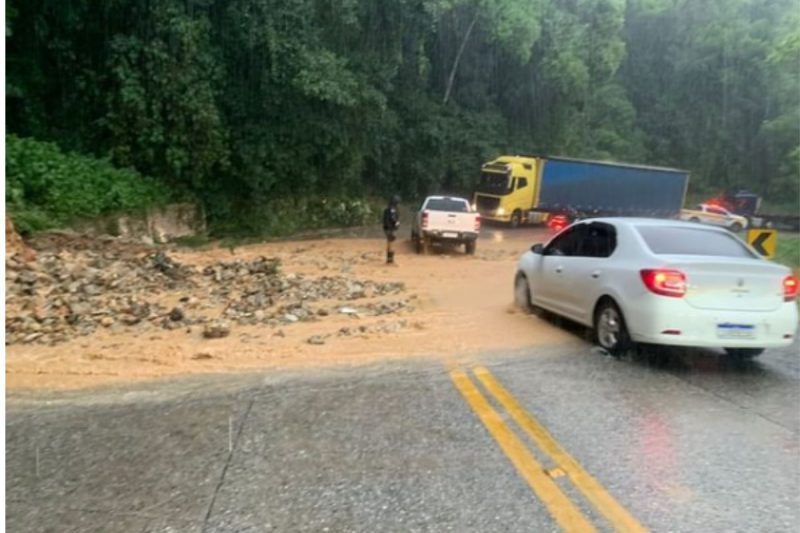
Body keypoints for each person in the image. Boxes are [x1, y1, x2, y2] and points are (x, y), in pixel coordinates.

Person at [382, 195, 400, 264]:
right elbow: (392, 219)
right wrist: (395, 223)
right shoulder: (391, 210)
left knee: (390, 242)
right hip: (389, 228)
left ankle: (389, 259)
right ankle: (390, 260)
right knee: (391, 243)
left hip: (389, 228)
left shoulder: (389, 209)